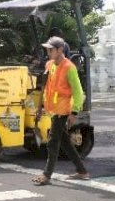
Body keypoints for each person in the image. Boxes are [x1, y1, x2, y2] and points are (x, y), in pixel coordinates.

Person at [32, 36, 90, 186]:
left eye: (51, 49)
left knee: (52, 142)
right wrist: (41, 107)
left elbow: (78, 92)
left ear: (60, 50)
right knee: (65, 143)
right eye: (48, 49)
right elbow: (47, 89)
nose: (48, 52)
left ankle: (46, 174)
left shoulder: (69, 68)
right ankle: (82, 171)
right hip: (53, 110)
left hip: (63, 111)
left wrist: (74, 113)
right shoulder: (50, 64)